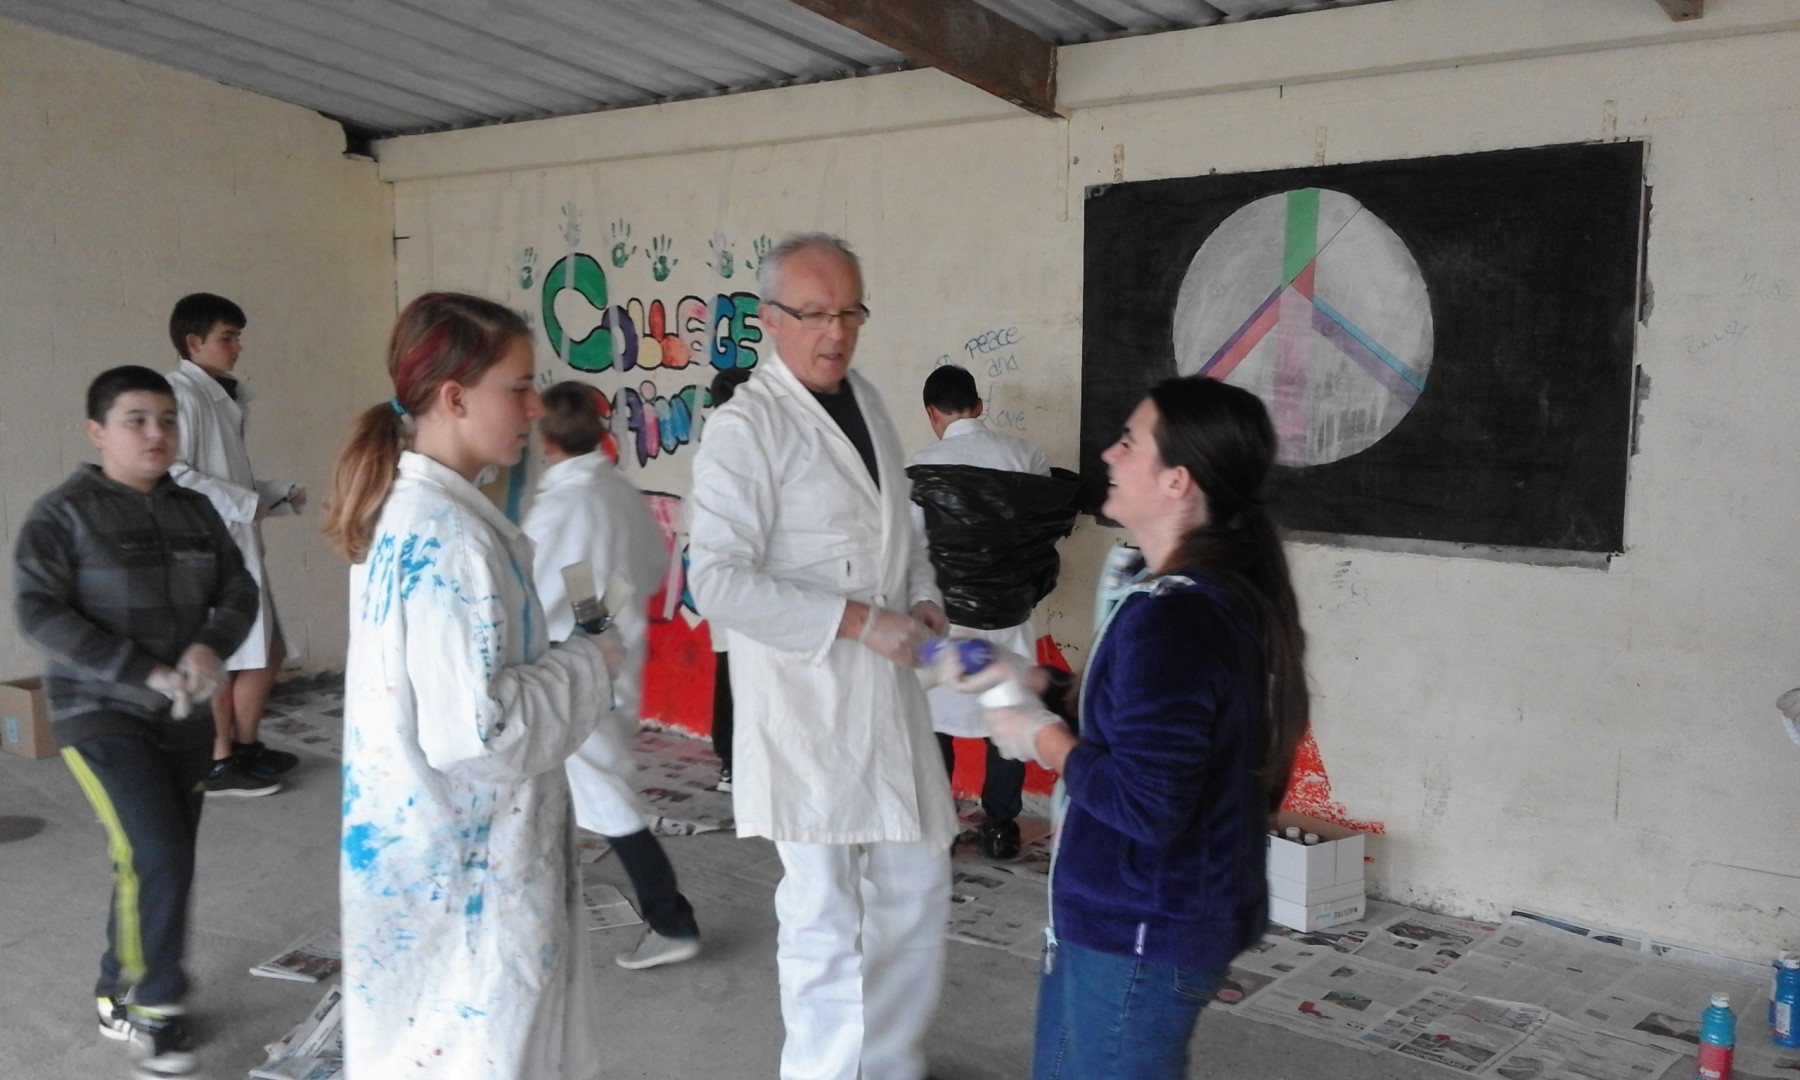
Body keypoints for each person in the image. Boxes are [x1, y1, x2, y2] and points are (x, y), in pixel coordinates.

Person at [955, 376, 1309, 1080]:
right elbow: (1144, 725)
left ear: (1178, 481)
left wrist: (1037, 738)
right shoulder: (1168, 591)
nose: (1108, 454)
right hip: (1109, 919)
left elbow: (1145, 801)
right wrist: (1040, 686)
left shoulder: (1177, 617)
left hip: (1143, 933)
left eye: (1128, 442)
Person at [324, 293, 616, 1080]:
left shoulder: (420, 514)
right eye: (517, 388)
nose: (533, 409)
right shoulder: (447, 539)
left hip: (432, 861)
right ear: (454, 398)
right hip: (467, 876)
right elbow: (481, 733)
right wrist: (592, 662)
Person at [687, 233, 957, 1080]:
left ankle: (891, 1061)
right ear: (770, 320)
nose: (835, 332)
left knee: (917, 884)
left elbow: (899, 531)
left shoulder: (868, 400)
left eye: (849, 311)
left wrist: (921, 596)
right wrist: (854, 621)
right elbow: (719, 582)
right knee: (824, 911)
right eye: (813, 314)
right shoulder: (746, 427)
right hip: (809, 702)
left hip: (887, 689)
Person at [14, 365, 259, 1080]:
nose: (156, 434)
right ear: (98, 432)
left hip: (182, 715)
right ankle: (156, 1007)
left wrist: (211, 644)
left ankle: (117, 980)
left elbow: (237, 587)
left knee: (157, 859)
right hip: (99, 713)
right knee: (158, 853)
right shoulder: (63, 514)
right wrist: (138, 670)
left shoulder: (194, 509)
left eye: (166, 420)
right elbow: (38, 612)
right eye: (136, 420)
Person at [523, 380, 702, 970]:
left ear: (543, 440)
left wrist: (587, 618)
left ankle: (670, 921)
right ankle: (547, 901)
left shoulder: (559, 507)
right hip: (608, 652)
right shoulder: (617, 491)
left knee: (604, 792)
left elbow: (536, 589)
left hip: (571, 666)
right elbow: (648, 567)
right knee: (572, 785)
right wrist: (604, 614)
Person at [906, 363, 1076, 859]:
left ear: (931, 413)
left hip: (943, 612)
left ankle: (939, 824)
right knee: (1009, 705)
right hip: (1011, 611)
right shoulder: (1028, 456)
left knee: (935, 712)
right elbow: (1041, 534)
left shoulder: (919, 466)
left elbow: (911, 551)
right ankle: (1001, 825)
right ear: (978, 406)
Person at [164, 293, 304, 797]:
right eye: (228, 337)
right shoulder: (182, 395)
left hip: (235, 541)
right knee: (228, 654)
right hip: (207, 549)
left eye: (239, 337)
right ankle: (220, 759)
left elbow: (226, 477)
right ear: (194, 342)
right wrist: (246, 504)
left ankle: (243, 747)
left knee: (266, 650)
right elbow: (176, 474)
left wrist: (276, 496)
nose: (238, 347)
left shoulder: (222, 396)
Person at [701, 365, 751, 793]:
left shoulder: (715, 438)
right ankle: (733, 763)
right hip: (740, 578)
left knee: (731, 670)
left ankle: (731, 763)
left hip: (730, 578)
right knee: (736, 674)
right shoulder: (735, 438)